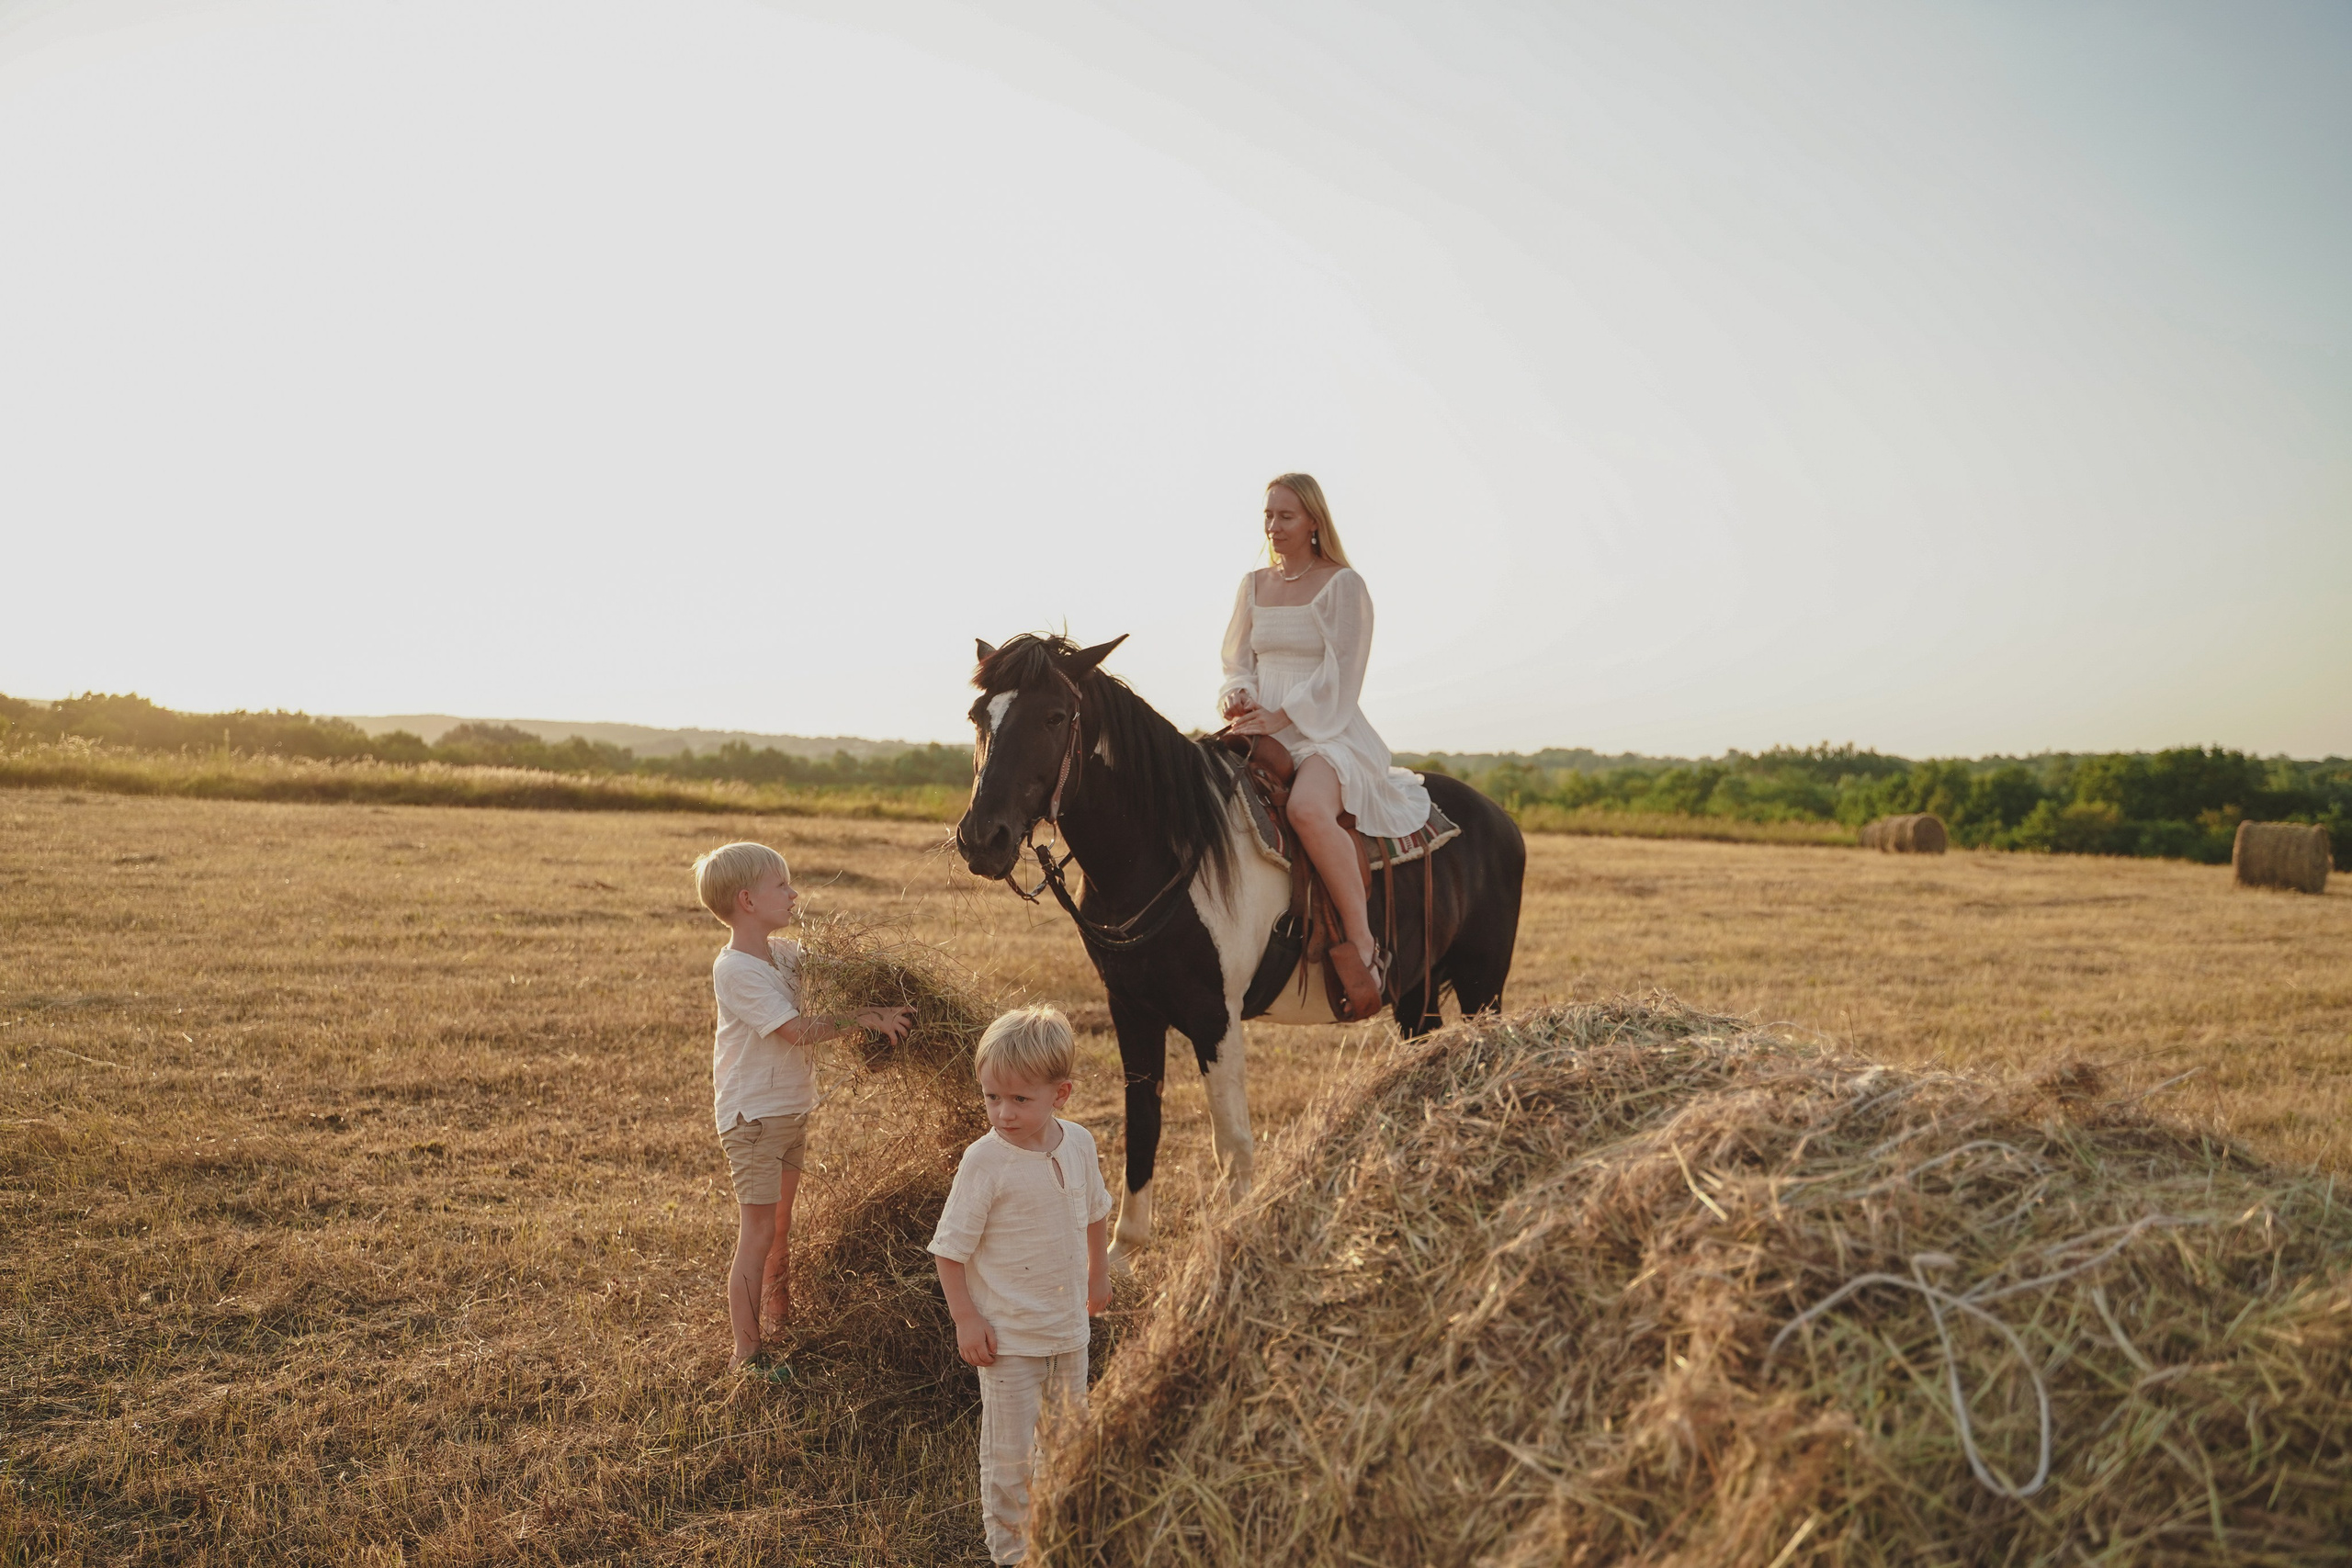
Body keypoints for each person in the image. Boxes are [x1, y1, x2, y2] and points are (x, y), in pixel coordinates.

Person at [692, 840, 911, 1374]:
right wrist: (866, 1018)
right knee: (758, 1233)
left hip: (790, 1111)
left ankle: (781, 1322)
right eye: (782, 885)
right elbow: (795, 1030)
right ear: (747, 900)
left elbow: (840, 972)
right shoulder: (736, 970)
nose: (794, 894)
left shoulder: (785, 955)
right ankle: (747, 1354)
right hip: (753, 1119)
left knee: (781, 1225)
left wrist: (891, 978)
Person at [1218, 472, 1431, 1017]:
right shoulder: (1253, 585)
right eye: (1268, 515)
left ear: (1314, 520)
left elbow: (1343, 672)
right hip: (1259, 726)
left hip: (1325, 731)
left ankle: (1362, 943)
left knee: (1308, 810)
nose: (1273, 526)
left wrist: (1283, 715)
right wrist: (1238, 695)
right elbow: (1237, 660)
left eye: (1286, 516)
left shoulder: (1343, 585)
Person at [929, 1006, 1114, 1566]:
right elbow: (949, 1252)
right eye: (991, 1097)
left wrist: (1098, 1273)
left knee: (1067, 1442)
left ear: (1061, 1094)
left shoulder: (1079, 1143)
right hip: (1008, 1341)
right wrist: (967, 1319)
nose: (1003, 1113)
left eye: (1019, 1099)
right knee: (1009, 1457)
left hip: (1069, 1333)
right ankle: (1011, 1552)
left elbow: (1096, 1212)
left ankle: (1058, 1534)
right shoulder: (985, 1161)